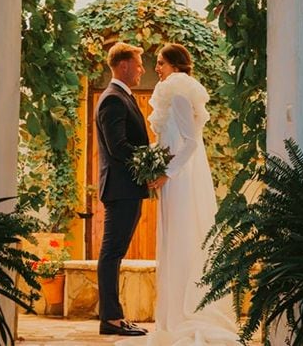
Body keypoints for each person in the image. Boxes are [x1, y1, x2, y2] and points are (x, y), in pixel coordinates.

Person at [119, 43, 240, 346]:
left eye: (160, 62)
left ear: (175, 64)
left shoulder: (180, 92)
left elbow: (189, 143)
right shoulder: (171, 92)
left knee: (183, 238)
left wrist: (165, 173)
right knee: (173, 239)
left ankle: (187, 313)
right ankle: (172, 316)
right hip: (171, 179)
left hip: (181, 180)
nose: (156, 68)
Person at [95, 41, 150, 337]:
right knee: (111, 253)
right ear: (124, 65)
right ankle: (111, 319)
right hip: (121, 188)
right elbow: (118, 148)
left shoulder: (120, 97)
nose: (142, 70)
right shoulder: (113, 99)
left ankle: (114, 316)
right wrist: (149, 165)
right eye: (138, 64)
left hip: (126, 188)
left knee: (114, 252)